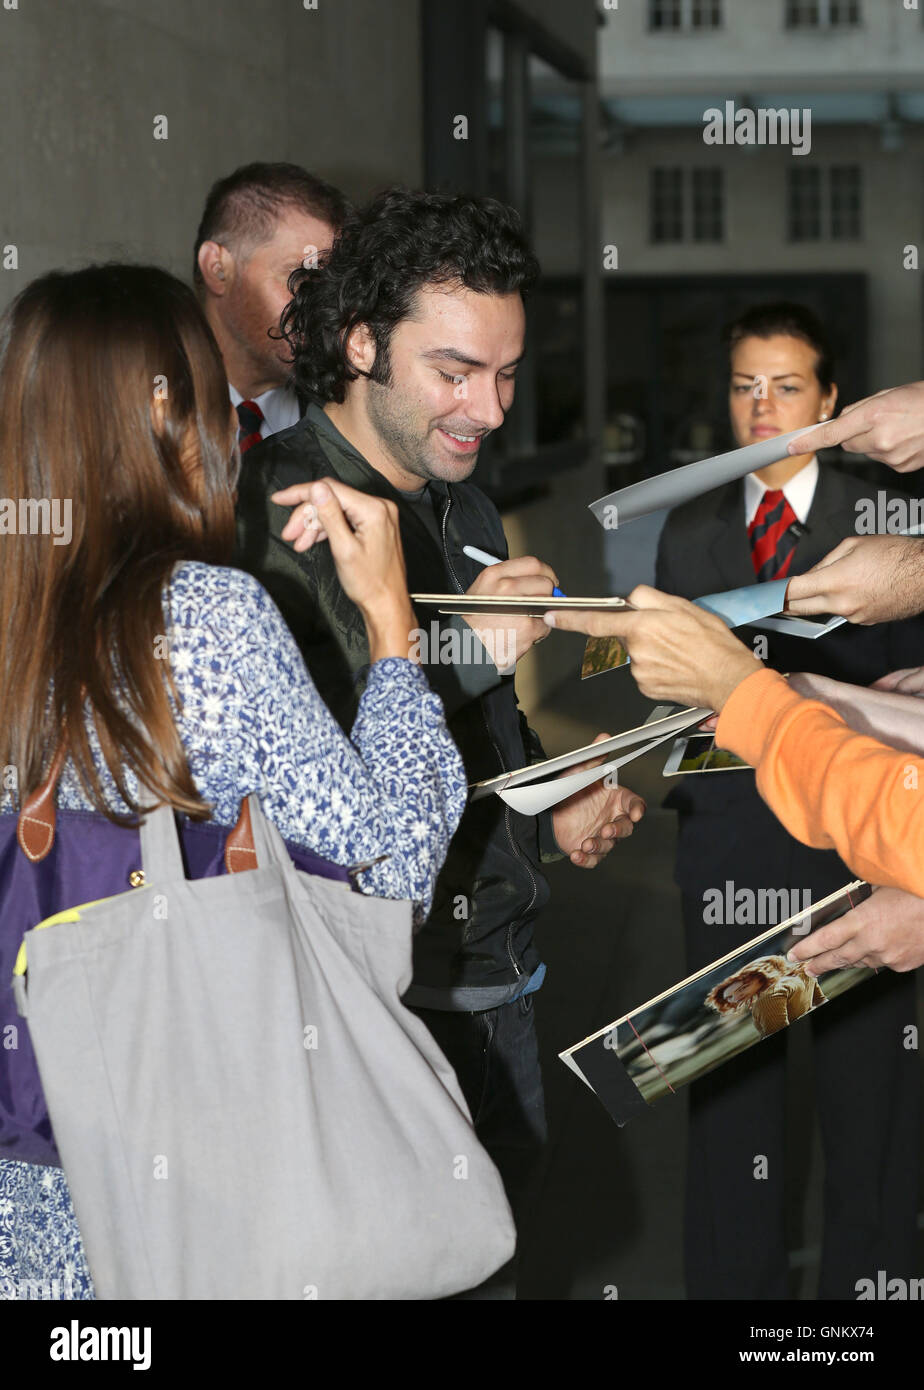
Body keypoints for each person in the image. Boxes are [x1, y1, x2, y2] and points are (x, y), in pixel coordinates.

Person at [0, 264, 467, 1299]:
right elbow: (389, 869)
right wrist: (393, 635)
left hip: (28, 1180)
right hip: (185, 1179)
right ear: (175, 420)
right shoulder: (202, 615)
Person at [234, 187, 646, 1292]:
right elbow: (321, 794)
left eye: (508, 374)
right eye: (455, 370)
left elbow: (477, 746)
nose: (491, 408)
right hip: (378, 1006)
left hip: (498, 975)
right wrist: (478, 650)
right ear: (362, 342)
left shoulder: (461, 500)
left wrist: (545, 815)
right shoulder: (285, 509)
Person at [608, 302, 922, 1302]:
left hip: (866, 857)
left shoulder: (889, 521)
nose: (763, 405)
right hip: (729, 849)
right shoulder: (690, 525)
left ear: (829, 400)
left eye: (786, 385)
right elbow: (669, 699)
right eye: (746, 384)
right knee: (729, 1097)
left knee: (868, 1106)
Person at [546, 590, 924, 965]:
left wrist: (752, 700)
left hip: (840, 862)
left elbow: (898, 812)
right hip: (730, 847)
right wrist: (819, 700)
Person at [193, 162, 349, 451]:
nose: (324, 305)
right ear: (217, 269)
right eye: (300, 279)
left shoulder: (351, 428)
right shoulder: (139, 411)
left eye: (332, 285)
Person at [705, 957, 826, 1039]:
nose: (736, 998)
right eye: (730, 998)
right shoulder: (802, 974)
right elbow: (822, 1002)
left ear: (758, 977)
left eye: (743, 988)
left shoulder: (767, 1000)